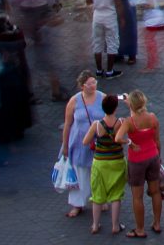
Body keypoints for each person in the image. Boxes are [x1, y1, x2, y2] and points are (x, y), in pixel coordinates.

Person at [60, 71, 106, 219]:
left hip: (98, 142)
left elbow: (109, 119)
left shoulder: (102, 97)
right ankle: (77, 204)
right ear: (82, 86)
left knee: (98, 172)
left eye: (94, 82)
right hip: (79, 142)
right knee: (79, 173)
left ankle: (100, 198)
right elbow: (67, 125)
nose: (93, 85)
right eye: (90, 83)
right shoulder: (74, 101)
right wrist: (65, 145)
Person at [123, 90, 163, 237]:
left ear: (132, 105)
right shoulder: (152, 118)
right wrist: (159, 157)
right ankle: (157, 223)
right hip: (153, 156)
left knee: (137, 196)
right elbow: (157, 141)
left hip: (137, 161)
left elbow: (118, 137)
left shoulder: (129, 122)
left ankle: (140, 229)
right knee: (156, 191)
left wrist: (129, 142)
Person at [85, 0, 124, 77]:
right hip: (110, 16)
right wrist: (122, 18)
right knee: (112, 42)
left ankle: (98, 70)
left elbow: (88, 1)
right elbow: (118, 3)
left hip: (97, 16)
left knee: (97, 43)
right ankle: (109, 71)